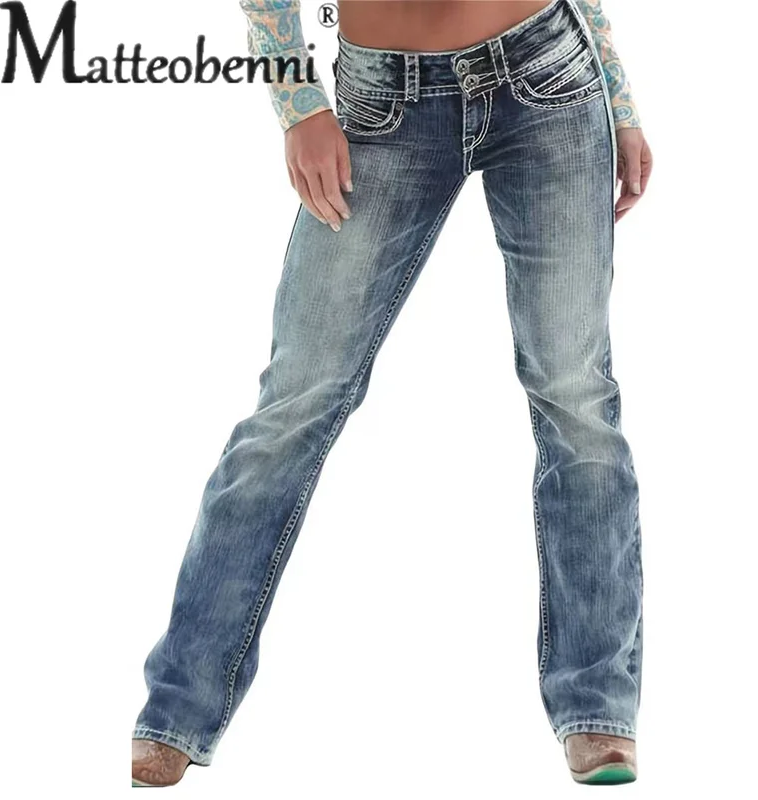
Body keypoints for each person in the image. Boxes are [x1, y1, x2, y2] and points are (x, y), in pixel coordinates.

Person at [132, 0, 652, 787]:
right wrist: (298, 104)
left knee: (575, 396)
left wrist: (619, 99)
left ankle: (598, 709)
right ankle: (178, 708)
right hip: (384, 104)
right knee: (296, 401)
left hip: (550, 76)